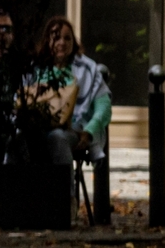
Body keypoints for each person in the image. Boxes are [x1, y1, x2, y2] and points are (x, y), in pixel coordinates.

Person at [18, 16, 111, 170]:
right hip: (37, 129)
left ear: (73, 41)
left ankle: (67, 193)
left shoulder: (87, 68)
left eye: (67, 38)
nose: (62, 43)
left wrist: (89, 131)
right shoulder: (35, 69)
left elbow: (104, 106)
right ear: (47, 40)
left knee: (56, 138)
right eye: (56, 38)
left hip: (75, 129)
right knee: (18, 140)